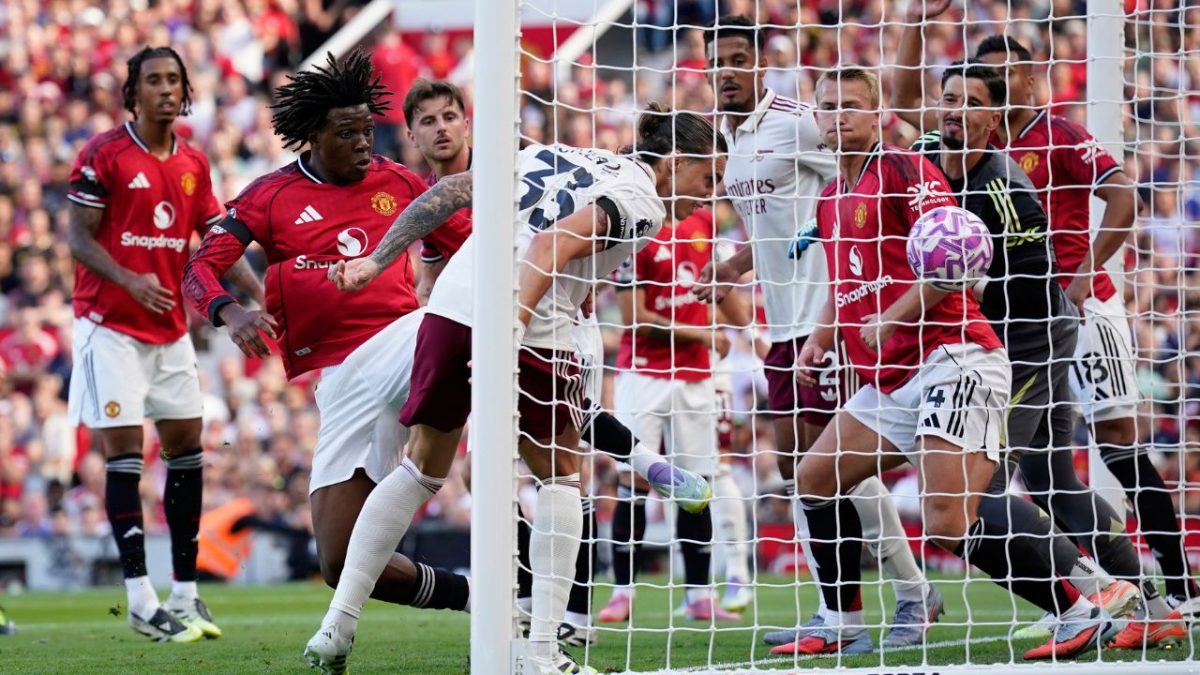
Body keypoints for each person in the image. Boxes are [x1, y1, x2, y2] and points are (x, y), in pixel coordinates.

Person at [309, 106, 726, 675]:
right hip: (525, 326)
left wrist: (377, 260)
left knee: (422, 468)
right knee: (560, 475)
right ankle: (541, 652)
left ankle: (337, 625)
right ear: (675, 165)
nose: (711, 196)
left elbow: (454, 190)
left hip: (453, 305)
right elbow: (550, 246)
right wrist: (508, 329)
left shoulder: (552, 153)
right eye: (709, 179)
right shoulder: (642, 201)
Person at [773, 66, 1114, 661]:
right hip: (893, 378)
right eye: (828, 107)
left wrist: (892, 317)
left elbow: (959, 253)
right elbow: (842, 279)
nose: (839, 116)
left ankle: (1082, 610)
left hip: (953, 359)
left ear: (877, 112)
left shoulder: (906, 169)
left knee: (947, 522)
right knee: (814, 479)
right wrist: (821, 338)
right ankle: (840, 621)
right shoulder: (829, 198)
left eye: (851, 104)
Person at [890, 0, 1194, 643]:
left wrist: (1078, 280)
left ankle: (1122, 593)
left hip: (1047, 327)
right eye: (955, 95)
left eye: (979, 95)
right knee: (1052, 478)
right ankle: (1144, 602)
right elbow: (903, 103)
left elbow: (1115, 200)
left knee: (1023, 471)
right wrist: (917, 28)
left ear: (1011, 97)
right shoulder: (936, 149)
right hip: (1006, 336)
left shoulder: (1028, 163)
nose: (959, 110)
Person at [405, 79, 713, 647]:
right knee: (491, 473)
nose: (441, 127)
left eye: (450, 115)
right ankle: (527, 597)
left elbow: (568, 234)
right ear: (413, 135)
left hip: (547, 317)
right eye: (427, 121)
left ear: (469, 123)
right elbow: (429, 270)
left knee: (562, 463)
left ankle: (568, 617)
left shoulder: (514, 163)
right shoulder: (447, 197)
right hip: (489, 315)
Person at [183, 51, 473, 625]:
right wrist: (228, 312)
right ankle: (483, 597)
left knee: (448, 334)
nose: (366, 142)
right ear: (314, 136)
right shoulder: (269, 196)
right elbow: (199, 268)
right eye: (348, 133)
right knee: (341, 561)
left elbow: (474, 243)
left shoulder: (399, 182)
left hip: (406, 346)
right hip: (342, 382)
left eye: (368, 129)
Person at [695, 15, 939, 650]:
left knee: (833, 466)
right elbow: (778, 226)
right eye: (716, 63)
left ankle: (905, 594)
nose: (727, 73)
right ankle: (851, 609)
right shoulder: (737, 143)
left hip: (828, 319)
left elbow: (860, 182)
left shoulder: (801, 119)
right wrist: (730, 268)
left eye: (737, 60)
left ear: (758, 66)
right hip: (784, 324)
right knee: (805, 467)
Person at [66, 46, 261, 643]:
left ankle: (186, 593)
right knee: (124, 454)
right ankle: (138, 597)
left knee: (186, 449)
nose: (166, 89)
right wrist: (128, 278)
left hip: (170, 329)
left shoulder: (195, 164)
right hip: (109, 325)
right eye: (153, 80)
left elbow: (217, 239)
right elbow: (75, 236)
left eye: (174, 80)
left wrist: (260, 295)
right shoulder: (105, 153)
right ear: (134, 91)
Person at [598, 208, 739, 624]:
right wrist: (703, 333)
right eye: (706, 175)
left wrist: (748, 334)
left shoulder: (705, 224)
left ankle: (699, 595)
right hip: (642, 375)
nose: (709, 188)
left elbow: (716, 289)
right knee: (633, 481)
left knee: (698, 484)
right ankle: (622, 593)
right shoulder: (637, 226)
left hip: (695, 377)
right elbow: (633, 318)